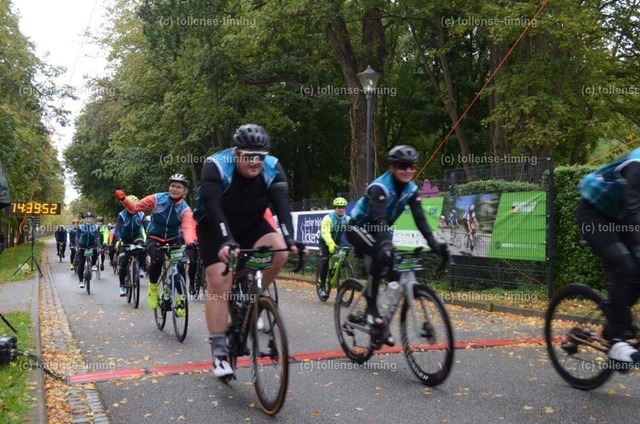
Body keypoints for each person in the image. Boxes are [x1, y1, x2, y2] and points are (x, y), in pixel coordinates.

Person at [195, 123, 304, 378]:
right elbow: (213, 207)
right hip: (215, 225)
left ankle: (250, 300)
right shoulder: (216, 165)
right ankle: (219, 353)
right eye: (248, 156)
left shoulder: (272, 167)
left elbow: (282, 208)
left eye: (260, 156)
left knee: (279, 251)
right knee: (220, 281)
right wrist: (226, 240)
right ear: (236, 153)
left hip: (251, 224)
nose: (255, 162)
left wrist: (291, 238)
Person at [346, 145, 449, 348]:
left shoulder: (411, 190)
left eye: (412, 166)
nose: (408, 170)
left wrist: (435, 244)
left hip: (380, 232)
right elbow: (379, 219)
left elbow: (420, 219)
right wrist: (384, 244)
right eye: (403, 166)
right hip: (359, 227)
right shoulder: (380, 188)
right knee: (380, 253)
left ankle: (380, 325)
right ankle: (372, 310)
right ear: (392, 167)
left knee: (395, 275)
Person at [577, 148, 640, 363]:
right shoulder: (638, 161)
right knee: (625, 267)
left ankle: (616, 321)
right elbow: (633, 206)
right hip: (594, 213)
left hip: (621, 218)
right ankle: (617, 337)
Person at [115, 174, 196, 315]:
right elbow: (134, 208)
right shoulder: (157, 198)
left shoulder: (185, 208)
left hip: (173, 239)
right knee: (157, 260)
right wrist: (124, 199)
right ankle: (153, 288)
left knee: (180, 266)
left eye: (178, 187)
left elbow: (188, 226)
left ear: (185, 191)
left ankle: (180, 299)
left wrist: (190, 242)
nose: (175, 189)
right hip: (154, 237)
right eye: (172, 186)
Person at [316, 197, 350, 300]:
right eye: (339, 207)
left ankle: (336, 271)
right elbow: (325, 233)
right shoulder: (328, 218)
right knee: (325, 260)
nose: (341, 209)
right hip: (324, 241)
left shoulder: (347, 219)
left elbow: (354, 231)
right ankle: (322, 286)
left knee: (343, 256)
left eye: (343, 207)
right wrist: (330, 244)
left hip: (337, 241)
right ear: (335, 208)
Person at [113, 195, 146, 297]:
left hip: (136, 236)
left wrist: (151, 236)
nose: (132, 207)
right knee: (123, 263)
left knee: (142, 246)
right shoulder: (122, 215)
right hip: (124, 238)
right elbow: (117, 229)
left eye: (134, 205)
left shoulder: (141, 214)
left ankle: (141, 267)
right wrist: (119, 239)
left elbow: (147, 227)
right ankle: (122, 285)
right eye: (129, 205)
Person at [75, 212, 101, 289]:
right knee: (81, 263)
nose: (88, 220)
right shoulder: (80, 227)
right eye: (87, 218)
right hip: (82, 245)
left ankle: (93, 265)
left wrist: (99, 246)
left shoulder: (96, 227)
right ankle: (80, 281)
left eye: (90, 218)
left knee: (95, 251)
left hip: (92, 245)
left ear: (92, 219)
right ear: (84, 219)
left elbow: (97, 237)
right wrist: (77, 245)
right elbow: (77, 237)